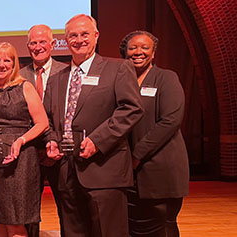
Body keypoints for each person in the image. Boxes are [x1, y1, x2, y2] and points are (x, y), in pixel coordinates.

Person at [43, 14, 143, 237]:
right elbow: (48, 119)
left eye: (84, 34)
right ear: (65, 41)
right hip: (66, 173)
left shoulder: (118, 69)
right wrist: (50, 139)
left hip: (103, 169)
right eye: (73, 36)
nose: (79, 40)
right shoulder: (57, 78)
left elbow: (131, 109)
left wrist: (98, 141)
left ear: (96, 36)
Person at [0, 42, 49, 237]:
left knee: (15, 222)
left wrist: (20, 141)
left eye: (7, 60)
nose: (1, 64)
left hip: (20, 162)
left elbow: (42, 123)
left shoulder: (25, 87)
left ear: (14, 64)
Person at [120, 30, 189, 237]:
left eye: (144, 47)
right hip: (130, 171)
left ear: (153, 53)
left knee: (163, 226)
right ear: (125, 52)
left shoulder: (166, 78)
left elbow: (170, 121)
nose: (138, 52)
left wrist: (137, 155)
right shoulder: (122, 80)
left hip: (161, 168)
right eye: (133, 48)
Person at [19, 24, 67, 237]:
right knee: (28, 210)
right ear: (28, 46)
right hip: (29, 153)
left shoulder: (67, 71)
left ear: (53, 44)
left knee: (67, 208)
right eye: (33, 43)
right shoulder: (18, 76)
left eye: (42, 42)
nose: (38, 47)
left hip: (61, 152)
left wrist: (56, 143)